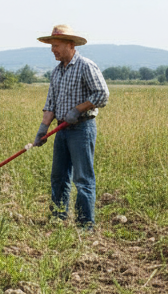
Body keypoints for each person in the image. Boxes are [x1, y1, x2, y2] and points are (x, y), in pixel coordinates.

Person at [32, 25, 109, 229]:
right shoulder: (57, 72)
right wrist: (43, 130)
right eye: (51, 45)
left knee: (83, 178)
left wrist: (78, 109)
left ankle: (85, 225)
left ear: (70, 45)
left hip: (82, 129)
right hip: (62, 131)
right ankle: (58, 216)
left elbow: (102, 94)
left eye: (56, 45)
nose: (52, 50)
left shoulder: (86, 66)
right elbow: (50, 104)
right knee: (59, 175)